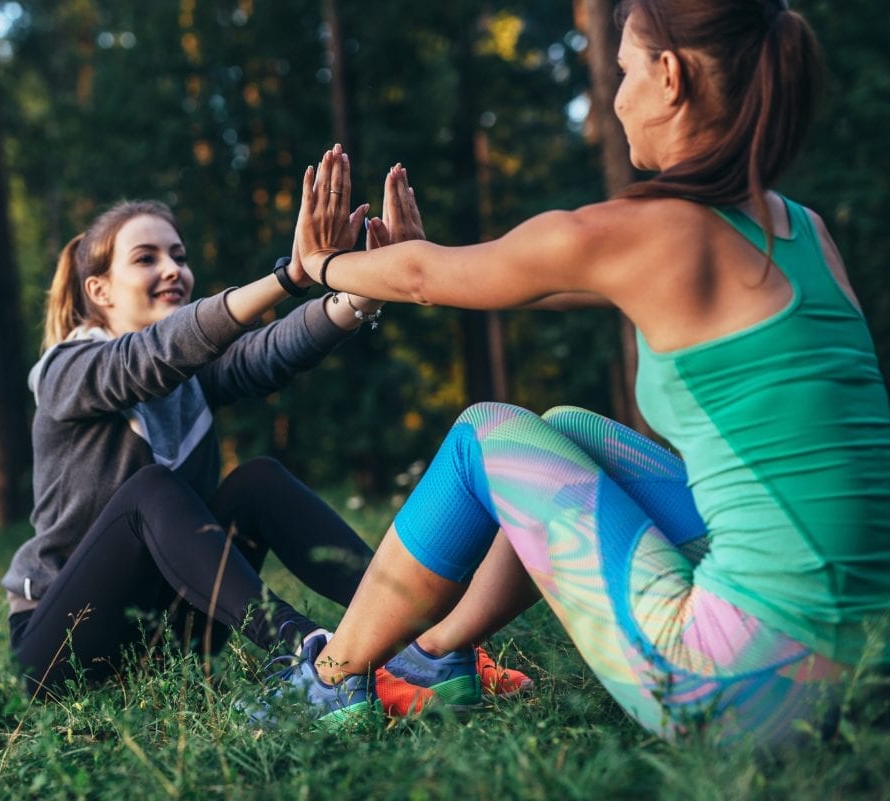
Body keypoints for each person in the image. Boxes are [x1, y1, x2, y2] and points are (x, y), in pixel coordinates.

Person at [273, 0, 890, 746]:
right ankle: (436, 654)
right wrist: (437, 268)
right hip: (868, 668)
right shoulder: (803, 232)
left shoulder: (653, 230)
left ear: (668, 78)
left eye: (623, 71)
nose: (614, 97)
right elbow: (479, 277)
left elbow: (420, 277)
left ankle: (329, 681)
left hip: (743, 686)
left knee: (482, 435)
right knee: (567, 431)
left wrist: (320, 264)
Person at [0, 188, 530, 707]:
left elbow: (267, 350)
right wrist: (291, 275)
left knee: (257, 480)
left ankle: (424, 635)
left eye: (179, 257)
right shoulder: (64, 373)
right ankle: (312, 655)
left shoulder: (193, 380)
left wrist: (368, 289)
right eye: (146, 258)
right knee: (150, 491)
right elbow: (150, 358)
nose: (172, 269)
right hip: (62, 652)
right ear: (100, 291)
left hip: (166, 640)